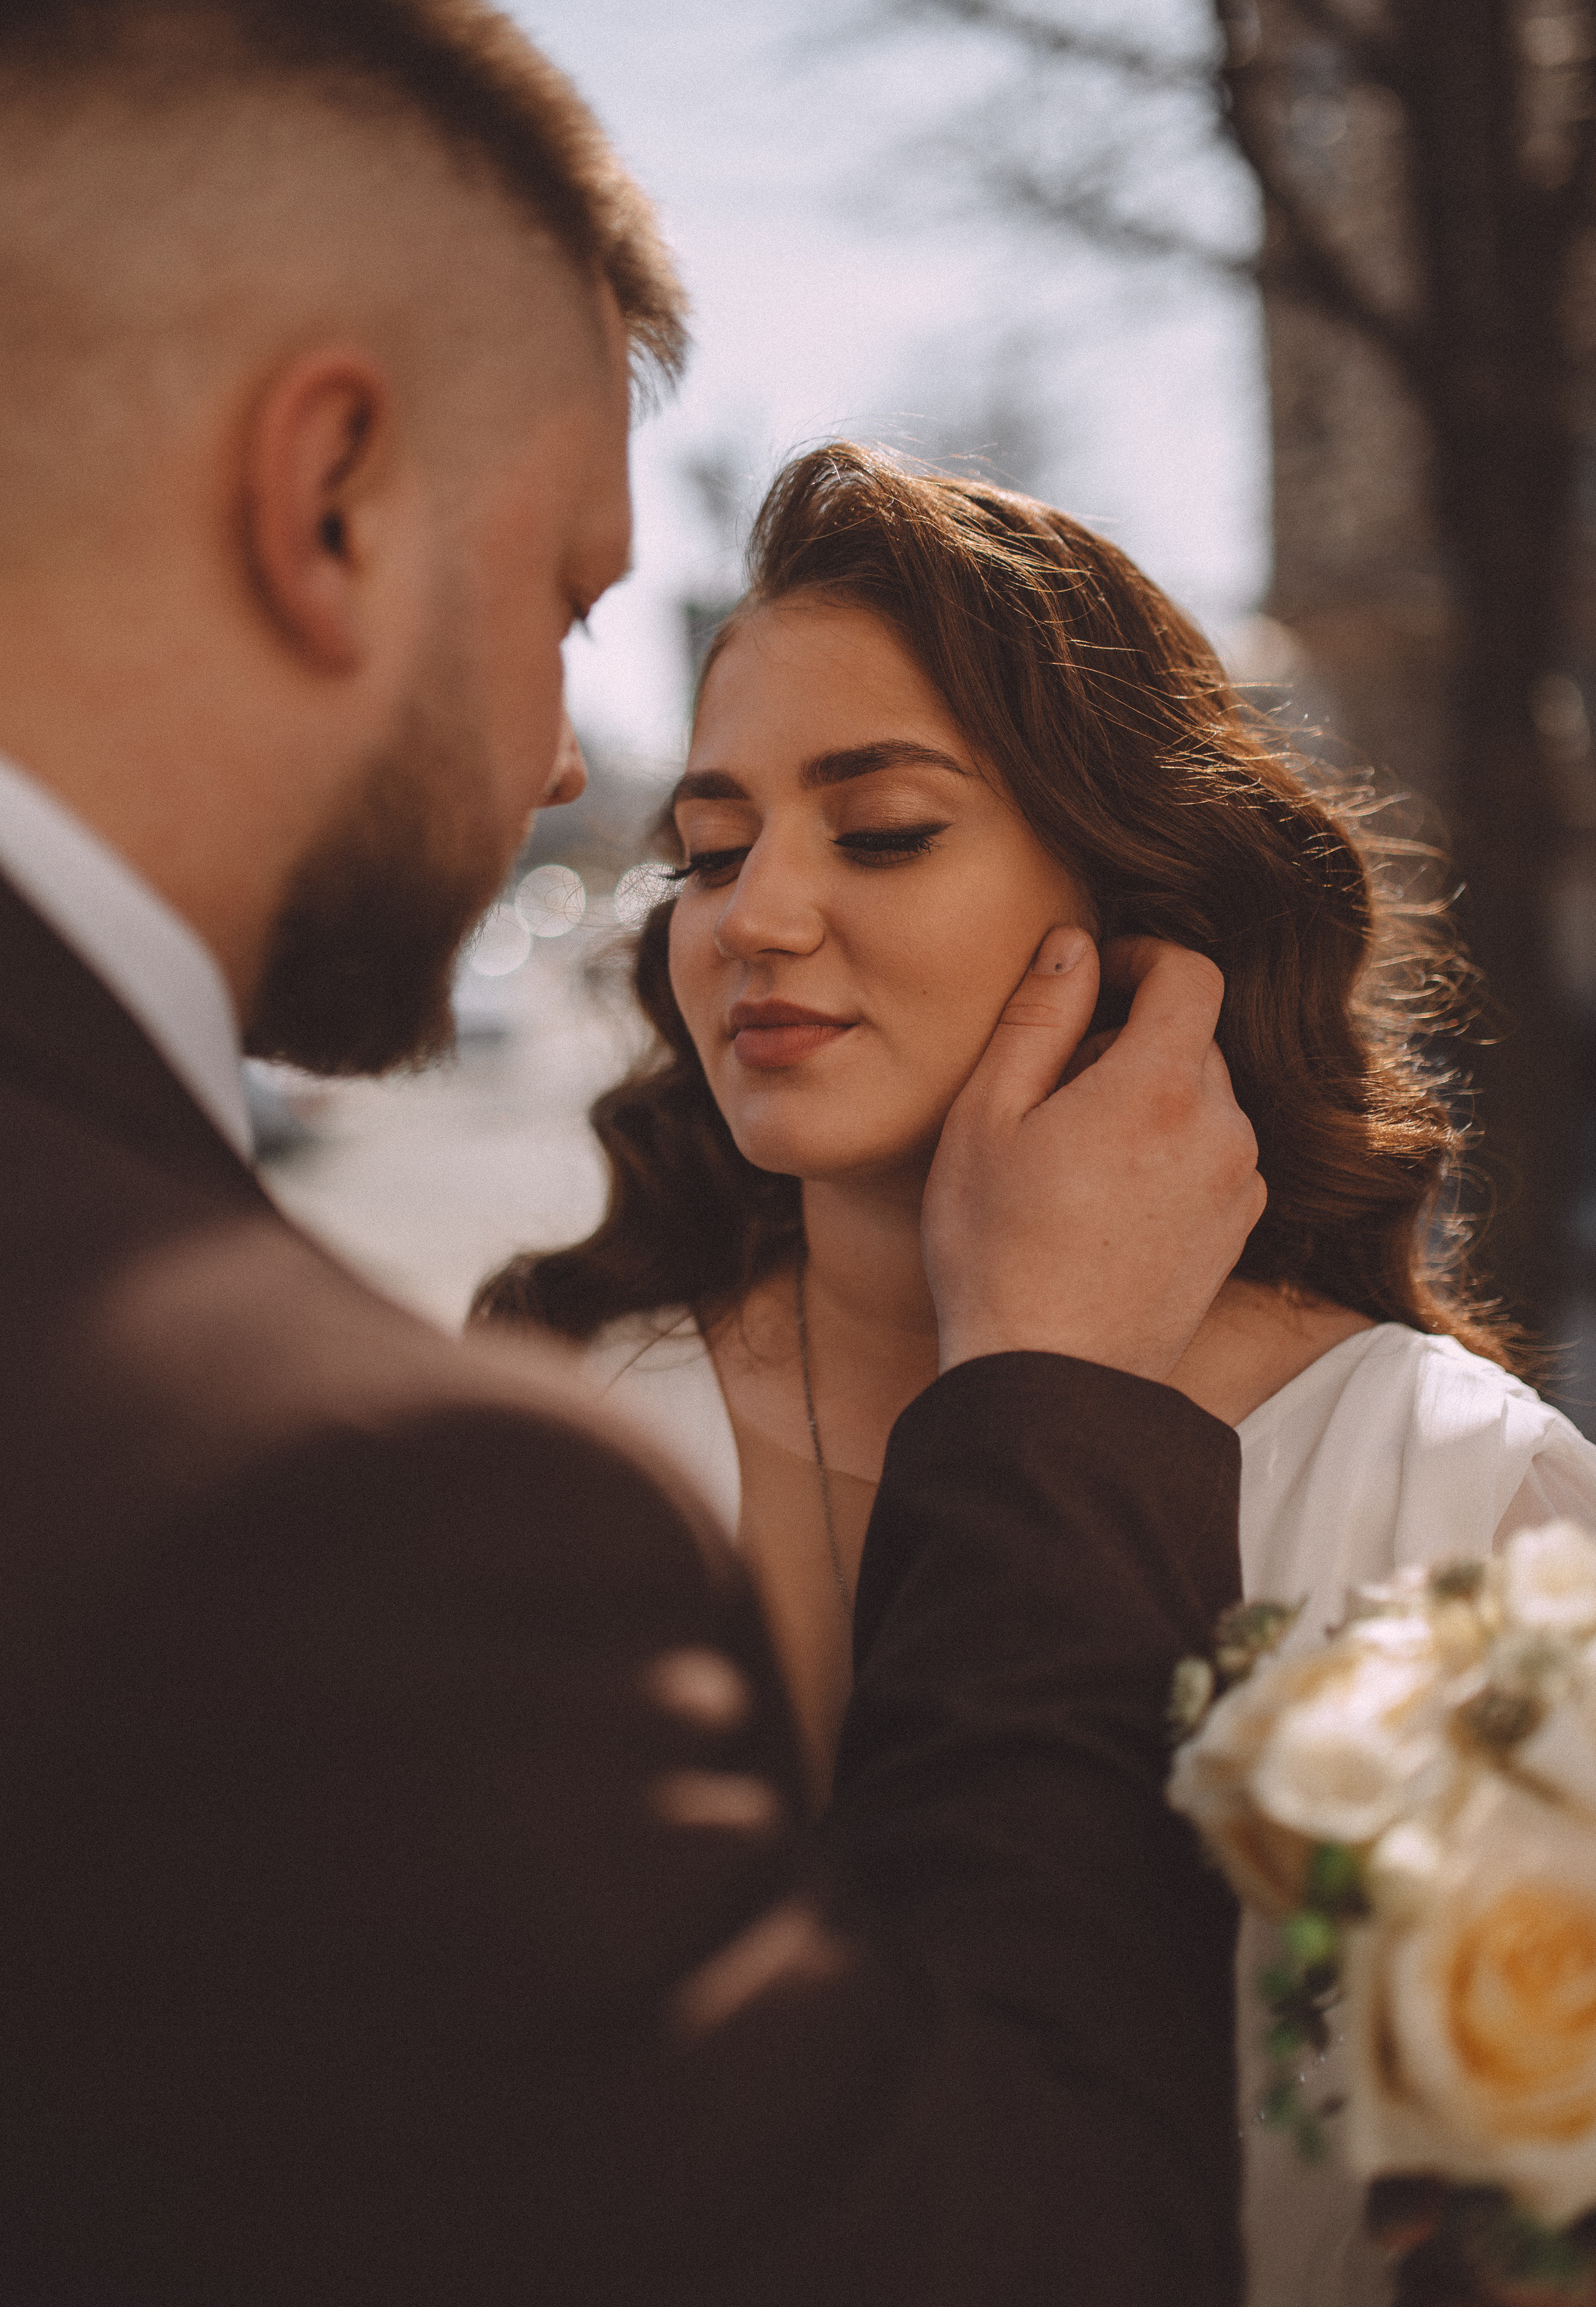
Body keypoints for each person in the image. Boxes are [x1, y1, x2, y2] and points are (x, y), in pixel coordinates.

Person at [0, 0, 1268, 2301]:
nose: (570, 759)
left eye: (877, 828)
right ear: (335, 496)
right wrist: (1058, 1410)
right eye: (570, 595)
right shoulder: (373, 1514)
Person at [479, 441, 1596, 2307]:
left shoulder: (1457, 1505)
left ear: (1142, 896)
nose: (757, 915)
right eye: (712, 845)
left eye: (885, 828)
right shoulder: (556, 1421)